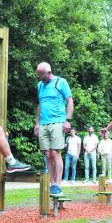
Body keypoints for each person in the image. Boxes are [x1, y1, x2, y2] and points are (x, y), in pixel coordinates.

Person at [34, 62, 73, 195]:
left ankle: (58, 184)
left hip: (57, 121)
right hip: (43, 123)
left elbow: (70, 101)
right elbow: (40, 104)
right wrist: (37, 123)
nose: (40, 77)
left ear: (49, 72)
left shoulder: (61, 82)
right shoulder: (40, 85)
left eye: (41, 74)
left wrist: (68, 120)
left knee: (56, 153)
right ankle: (52, 184)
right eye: (38, 74)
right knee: (47, 154)